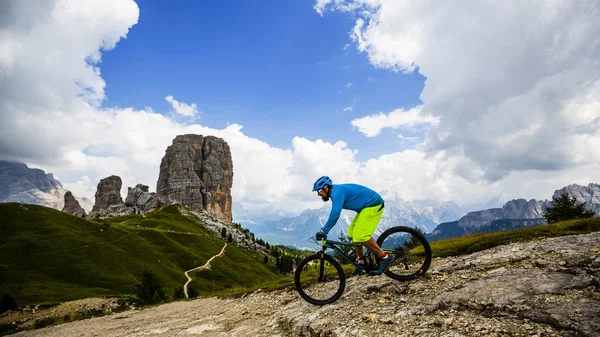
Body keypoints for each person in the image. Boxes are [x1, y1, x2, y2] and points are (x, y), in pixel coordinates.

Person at [312, 176, 394, 275]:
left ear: (326, 188)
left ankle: (384, 257)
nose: (318, 194)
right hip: (364, 208)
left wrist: (324, 230)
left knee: (361, 236)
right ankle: (362, 262)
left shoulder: (337, 193)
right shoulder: (335, 192)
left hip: (373, 204)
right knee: (352, 234)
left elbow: (335, 214)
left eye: (319, 191)